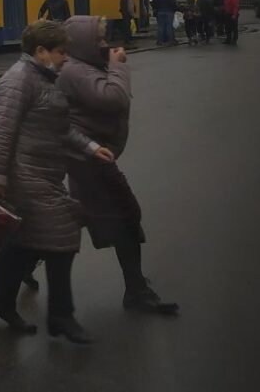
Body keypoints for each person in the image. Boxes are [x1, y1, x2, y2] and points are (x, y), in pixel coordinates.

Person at [59, 16, 179, 316]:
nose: (104, 43)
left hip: (94, 158)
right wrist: (119, 66)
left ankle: (136, 287)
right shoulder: (76, 70)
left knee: (91, 220)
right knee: (122, 218)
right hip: (89, 160)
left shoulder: (84, 66)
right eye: (98, 38)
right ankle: (136, 291)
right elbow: (112, 98)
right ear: (82, 41)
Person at [0, 20, 92, 344]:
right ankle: (61, 315)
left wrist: (91, 147)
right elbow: (1, 131)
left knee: (21, 244)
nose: (65, 59)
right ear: (41, 51)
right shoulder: (18, 80)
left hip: (44, 173)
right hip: (25, 176)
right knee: (63, 235)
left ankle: (0, 304)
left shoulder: (46, 78)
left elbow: (60, 127)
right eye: (61, 52)